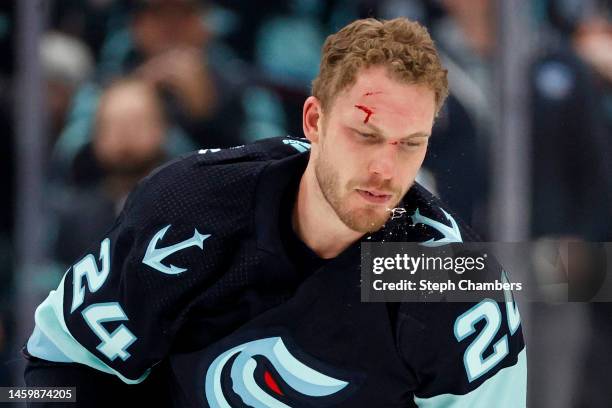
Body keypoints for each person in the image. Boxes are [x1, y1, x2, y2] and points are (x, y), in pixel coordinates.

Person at [24, 18, 526, 407]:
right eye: (366, 135)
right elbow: (55, 370)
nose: (385, 169)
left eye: (410, 144)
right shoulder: (191, 207)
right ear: (314, 120)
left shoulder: (447, 278)